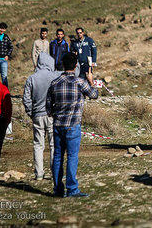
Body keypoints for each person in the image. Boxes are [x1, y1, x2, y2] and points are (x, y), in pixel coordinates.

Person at [46, 52, 97, 197]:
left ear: (62, 65)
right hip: (73, 125)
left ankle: (57, 189)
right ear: (75, 66)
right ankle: (72, 189)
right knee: (72, 157)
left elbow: (48, 109)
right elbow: (94, 94)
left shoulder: (54, 83)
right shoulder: (80, 83)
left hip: (57, 125)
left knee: (57, 157)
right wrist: (91, 80)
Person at [23, 53, 62, 181]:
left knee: (38, 145)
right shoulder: (54, 76)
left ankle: (39, 173)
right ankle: (54, 173)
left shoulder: (31, 78)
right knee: (53, 145)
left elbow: (26, 99)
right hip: (52, 115)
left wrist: (31, 112)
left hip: (37, 115)